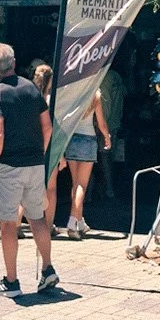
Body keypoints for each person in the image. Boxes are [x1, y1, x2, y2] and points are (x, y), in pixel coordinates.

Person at [0, 42, 59, 297]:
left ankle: (12, 282)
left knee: (8, 224)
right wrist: (41, 152)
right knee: (36, 217)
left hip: (8, 165)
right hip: (35, 163)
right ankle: (48, 269)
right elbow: (47, 127)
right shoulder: (31, 88)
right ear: (13, 63)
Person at [63, 87, 111, 238]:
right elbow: (101, 123)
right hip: (88, 140)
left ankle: (80, 221)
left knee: (75, 183)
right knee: (82, 186)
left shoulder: (73, 93)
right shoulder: (95, 95)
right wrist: (107, 136)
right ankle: (72, 223)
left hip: (72, 139)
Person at [32, 62, 61, 236]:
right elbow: (53, 128)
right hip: (49, 147)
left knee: (28, 189)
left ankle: (19, 224)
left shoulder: (29, 96)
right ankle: (48, 226)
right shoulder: (53, 100)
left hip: (31, 146)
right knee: (50, 189)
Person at [98, 66, 126, 198]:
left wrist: (102, 127)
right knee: (110, 157)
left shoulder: (105, 79)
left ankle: (108, 188)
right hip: (116, 122)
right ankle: (110, 186)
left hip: (106, 124)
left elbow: (105, 107)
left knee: (104, 157)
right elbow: (124, 93)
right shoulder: (115, 75)